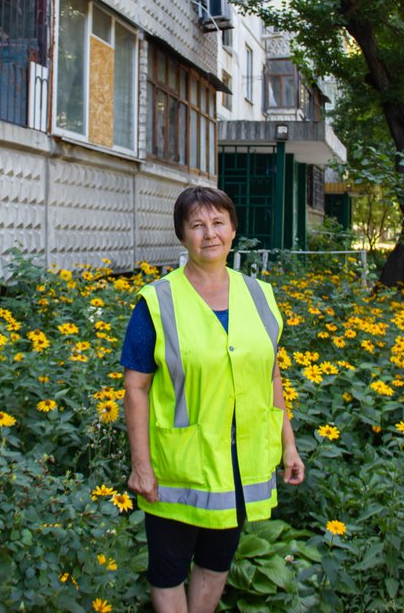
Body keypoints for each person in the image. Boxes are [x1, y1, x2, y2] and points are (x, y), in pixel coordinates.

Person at [122, 186, 305, 613]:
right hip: (178, 467)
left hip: (239, 466)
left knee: (216, 562)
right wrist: (141, 466)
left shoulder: (260, 295)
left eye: (218, 222)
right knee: (168, 568)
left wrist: (288, 444)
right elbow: (136, 387)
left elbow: (271, 374)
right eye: (197, 225)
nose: (210, 234)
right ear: (182, 236)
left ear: (233, 230)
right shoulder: (157, 301)